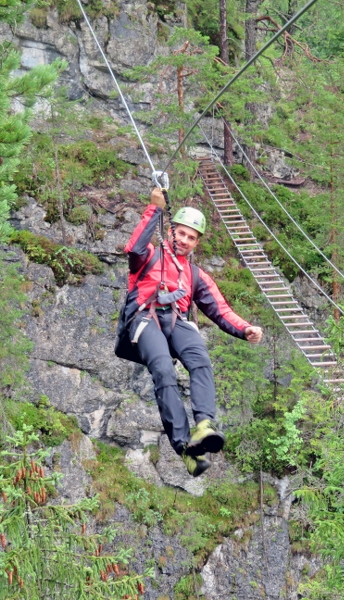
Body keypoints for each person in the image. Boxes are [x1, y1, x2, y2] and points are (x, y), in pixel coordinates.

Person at [115, 188, 264, 477]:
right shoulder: (148, 255)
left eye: (191, 237)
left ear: (196, 243)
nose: (184, 240)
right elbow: (133, 248)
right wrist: (154, 209)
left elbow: (220, 310)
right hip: (145, 319)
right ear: (171, 232)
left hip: (177, 322)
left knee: (199, 357)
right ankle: (184, 447)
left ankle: (204, 425)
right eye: (181, 233)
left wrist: (245, 328)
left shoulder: (195, 275)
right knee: (163, 370)